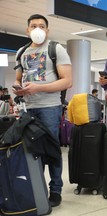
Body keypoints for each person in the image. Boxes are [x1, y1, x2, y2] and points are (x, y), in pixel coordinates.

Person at [13, 14, 72, 207]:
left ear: (47, 30)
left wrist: (38, 88)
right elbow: (18, 77)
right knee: (31, 151)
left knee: (52, 149)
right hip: (28, 108)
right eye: (33, 26)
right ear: (27, 30)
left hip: (49, 107)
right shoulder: (21, 52)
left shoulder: (56, 49)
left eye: (41, 26)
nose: (37, 29)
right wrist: (17, 87)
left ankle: (55, 190)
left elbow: (67, 81)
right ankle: (35, 188)